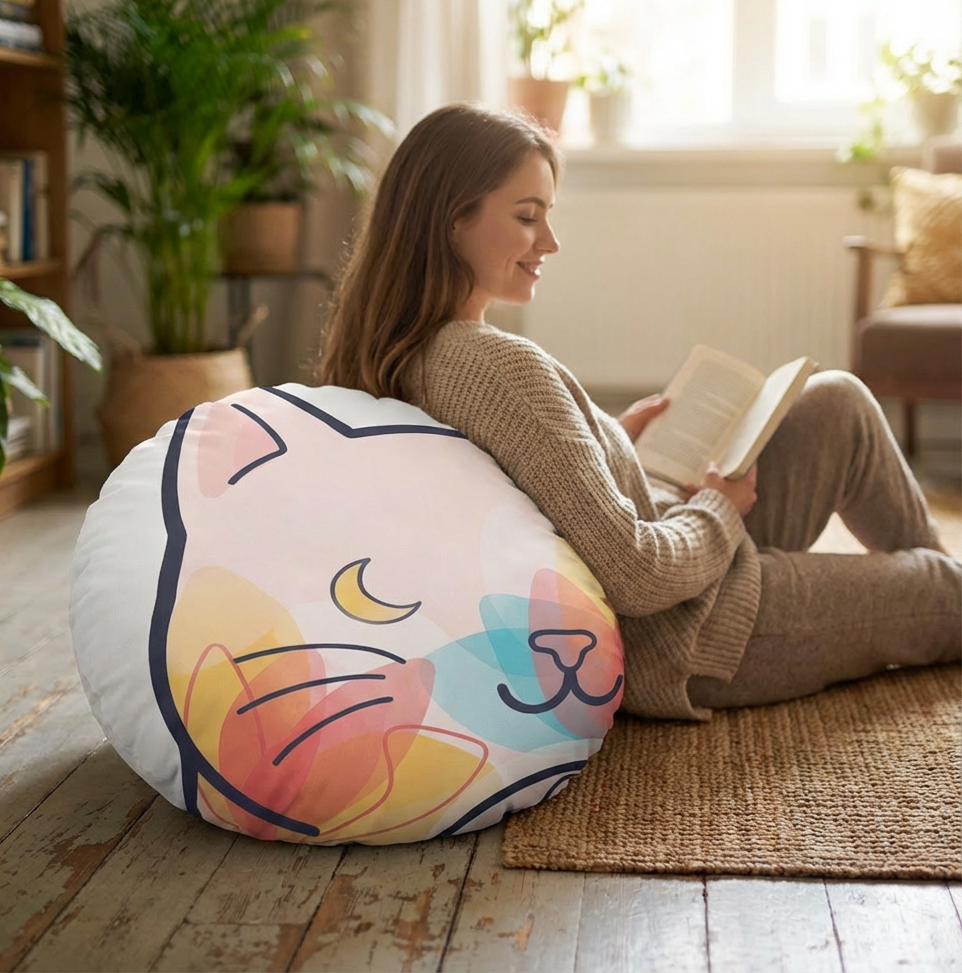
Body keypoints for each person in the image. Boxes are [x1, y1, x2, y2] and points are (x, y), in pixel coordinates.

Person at [318, 102, 961, 720]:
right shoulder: (495, 368)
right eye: (527, 217)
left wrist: (607, 439)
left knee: (837, 402)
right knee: (943, 589)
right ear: (451, 220)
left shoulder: (403, 354)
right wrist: (719, 510)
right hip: (693, 630)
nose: (551, 242)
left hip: (685, 566)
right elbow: (636, 577)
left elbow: (535, 483)